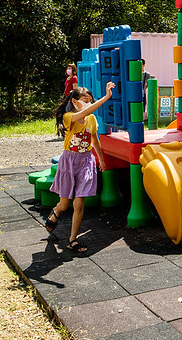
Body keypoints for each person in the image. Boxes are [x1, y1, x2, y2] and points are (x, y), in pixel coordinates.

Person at [45, 82, 115, 253]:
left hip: (86, 161)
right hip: (69, 161)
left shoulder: (91, 119)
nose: (88, 104)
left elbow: (94, 139)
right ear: (75, 102)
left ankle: (73, 239)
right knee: (64, 205)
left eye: (90, 101)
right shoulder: (68, 117)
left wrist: (101, 159)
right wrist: (106, 97)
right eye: (85, 100)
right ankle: (56, 212)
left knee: (79, 202)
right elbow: (84, 113)